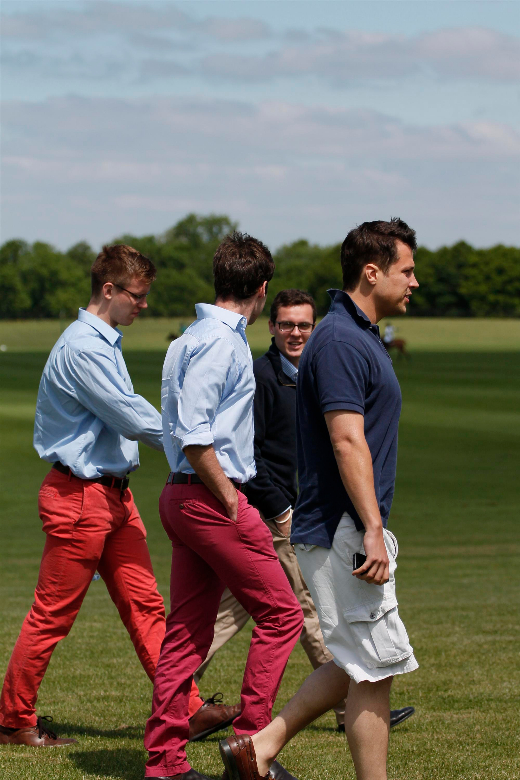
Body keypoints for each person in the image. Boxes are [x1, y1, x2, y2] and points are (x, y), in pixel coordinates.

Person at [0, 244, 233, 748]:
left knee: (147, 608)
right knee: (53, 616)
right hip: (80, 499)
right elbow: (128, 414)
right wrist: (195, 440)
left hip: (112, 500)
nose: (143, 305)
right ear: (109, 290)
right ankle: (14, 720)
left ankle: (187, 710)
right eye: (138, 296)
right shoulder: (84, 347)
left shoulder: (103, 341)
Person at [219, 218, 420, 780]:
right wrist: (372, 529)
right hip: (343, 530)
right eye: (407, 270)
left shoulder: (353, 335)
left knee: (357, 662)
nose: (415, 281)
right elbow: (345, 436)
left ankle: (256, 750)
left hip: (343, 528)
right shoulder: (340, 340)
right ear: (371, 271)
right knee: (375, 669)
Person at [143, 232, 304, 780]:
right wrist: (234, 501)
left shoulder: (189, 336)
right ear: (261, 290)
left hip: (181, 494)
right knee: (282, 615)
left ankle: (165, 762)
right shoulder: (222, 340)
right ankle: (249, 749)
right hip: (210, 497)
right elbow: (194, 433)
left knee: (187, 631)